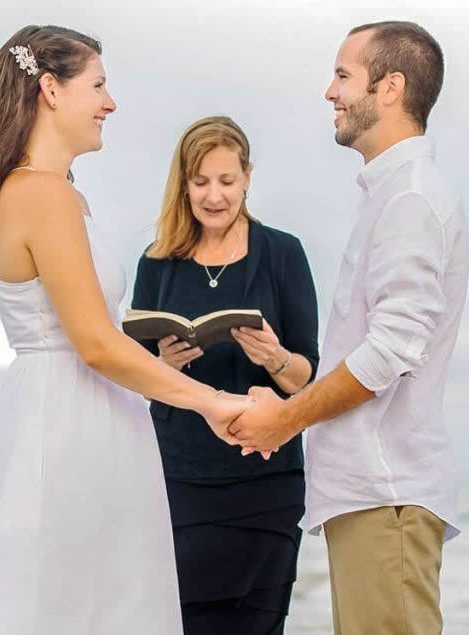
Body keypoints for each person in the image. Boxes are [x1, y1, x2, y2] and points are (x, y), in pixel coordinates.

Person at [0, 25, 252, 635]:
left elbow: (93, 335)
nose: (110, 103)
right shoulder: (40, 195)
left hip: (89, 414)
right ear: (50, 89)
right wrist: (215, 402)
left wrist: (156, 362)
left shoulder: (58, 194)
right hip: (66, 424)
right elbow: (95, 344)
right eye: (99, 86)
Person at [229, 21, 469, 635]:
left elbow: (389, 352)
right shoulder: (390, 195)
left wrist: (285, 418)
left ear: (390, 87)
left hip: (384, 494)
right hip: (370, 496)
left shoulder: (409, 199)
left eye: (342, 75)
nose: (329, 92)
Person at [131, 116, 319, 634]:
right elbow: (131, 371)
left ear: (248, 178)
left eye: (227, 181)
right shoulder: (157, 262)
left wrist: (275, 358)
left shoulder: (283, 253)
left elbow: (306, 379)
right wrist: (161, 365)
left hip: (266, 480)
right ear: (183, 184)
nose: (214, 196)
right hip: (178, 478)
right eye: (201, 182)